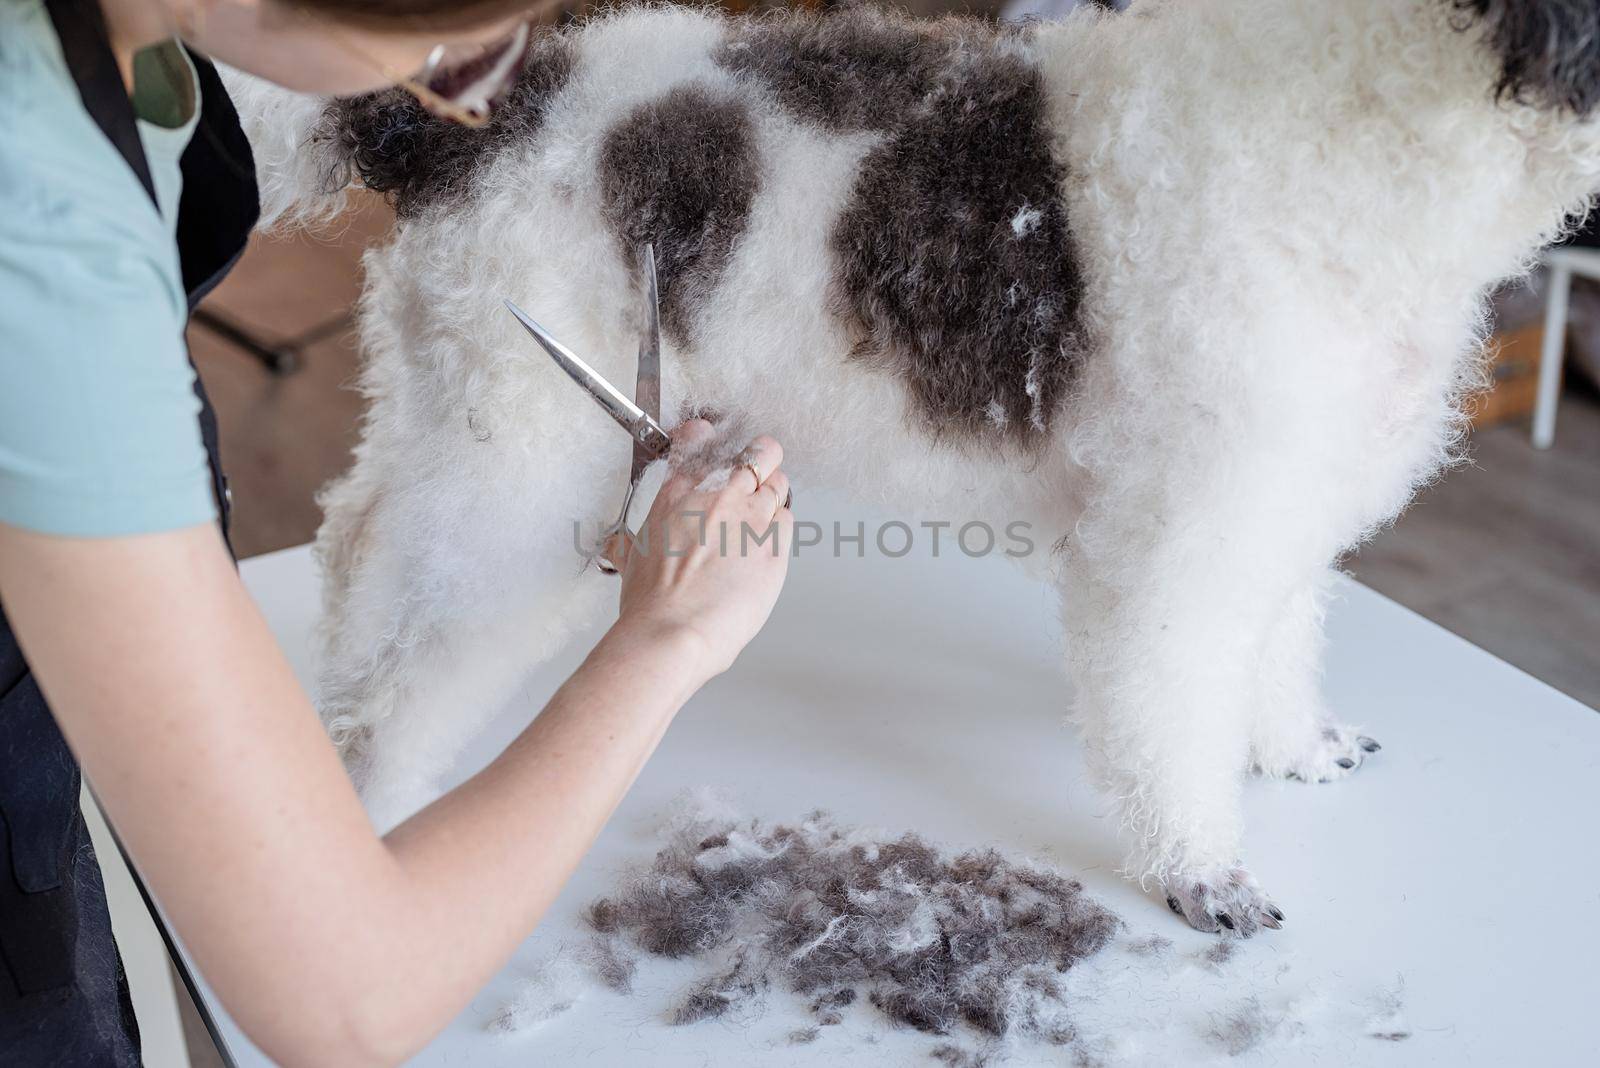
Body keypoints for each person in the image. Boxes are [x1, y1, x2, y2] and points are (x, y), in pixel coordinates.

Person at [0, 1, 794, 1064]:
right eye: (448, 35)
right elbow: (344, 997)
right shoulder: (37, 230)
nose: (472, 85)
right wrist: (669, 641)